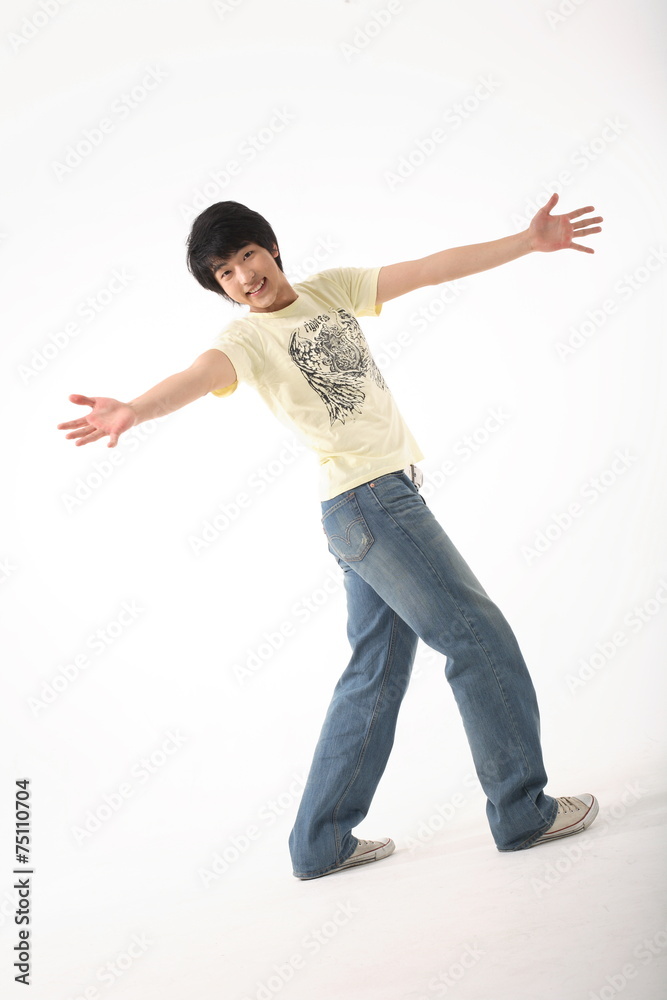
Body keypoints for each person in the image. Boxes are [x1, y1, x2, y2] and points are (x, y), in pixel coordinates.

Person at [57, 193, 603, 881]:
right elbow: (196, 377)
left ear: (271, 248)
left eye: (247, 256)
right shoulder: (244, 341)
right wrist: (134, 409)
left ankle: (320, 843)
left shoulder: (330, 291)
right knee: (476, 636)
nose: (243, 277)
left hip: (367, 509)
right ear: (219, 286)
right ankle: (522, 811)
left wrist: (524, 242)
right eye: (225, 273)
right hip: (370, 503)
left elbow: (429, 268)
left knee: (376, 672)